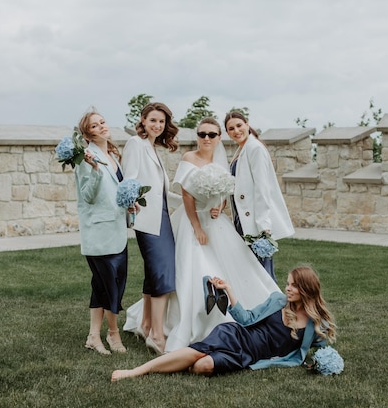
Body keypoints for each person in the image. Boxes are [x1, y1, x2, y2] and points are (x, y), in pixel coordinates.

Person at [161, 117, 280, 352]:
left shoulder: (222, 160)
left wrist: (220, 204)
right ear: (197, 136)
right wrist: (197, 226)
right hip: (193, 222)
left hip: (217, 222)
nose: (206, 138)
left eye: (212, 134)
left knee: (236, 265)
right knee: (196, 268)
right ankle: (197, 319)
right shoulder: (189, 159)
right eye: (202, 134)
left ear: (219, 137)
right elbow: (186, 196)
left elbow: (226, 191)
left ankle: (240, 311)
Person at [111, 265, 337, 381]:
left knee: (202, 366)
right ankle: (135, 371)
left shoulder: (315, 326)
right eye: (288, 283)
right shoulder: (277, 301)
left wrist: (322, 362)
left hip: (248, 356)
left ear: (306, 289)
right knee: (197, 352)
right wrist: (228, 290)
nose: (287, 288)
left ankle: (179, 361)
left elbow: (321, 349)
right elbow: (246, 318)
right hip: (236, 335)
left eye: (294, 285)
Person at [121, 102, 181, 354]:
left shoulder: (151, 147)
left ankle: (146, 325)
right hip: (148, 219)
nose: (158, 125)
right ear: (143, 120)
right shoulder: (136, 144)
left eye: (162, 122)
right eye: (153, 120)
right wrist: (131, 203)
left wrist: (192, 203)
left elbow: (162, 192)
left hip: (163, 216)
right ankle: (157, 335)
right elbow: (129, 180)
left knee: (155, 271)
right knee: (162, 272)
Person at [75, 110, 129, 355]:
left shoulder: (114, 155)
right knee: (111, 286)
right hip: (99, 233)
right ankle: (113, 334)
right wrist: (95, 170)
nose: (101, 127)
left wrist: (131, 205)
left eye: (102, 122)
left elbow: (114, 193)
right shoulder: (85, 158)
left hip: (116, 230)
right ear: (88, 134)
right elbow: (87, 195)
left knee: (101, 286)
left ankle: (92, 336)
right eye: (95, 126)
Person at [224, 111, 295, 281]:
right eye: (231, 128)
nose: (236, 131)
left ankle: (272, 308)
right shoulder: (242, 149)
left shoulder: (254, 148)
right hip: (242, 220)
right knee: (252, 273)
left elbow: (262, 189)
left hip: (255, 223)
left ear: (247, 124)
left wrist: (263, 227)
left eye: (239, 125)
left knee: (262, 274)